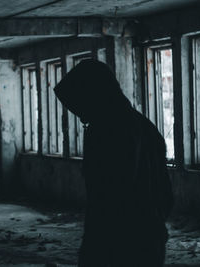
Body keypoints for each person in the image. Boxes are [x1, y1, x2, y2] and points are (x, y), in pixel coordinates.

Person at [53, 59, 173, 267]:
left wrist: (98, 243)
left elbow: (111, 194)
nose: (81, 117)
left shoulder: (108, 129)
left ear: (93, 95)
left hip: (119, 241)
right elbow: (165, 192)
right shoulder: (143, 125)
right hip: (146, 234)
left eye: (80, 105)